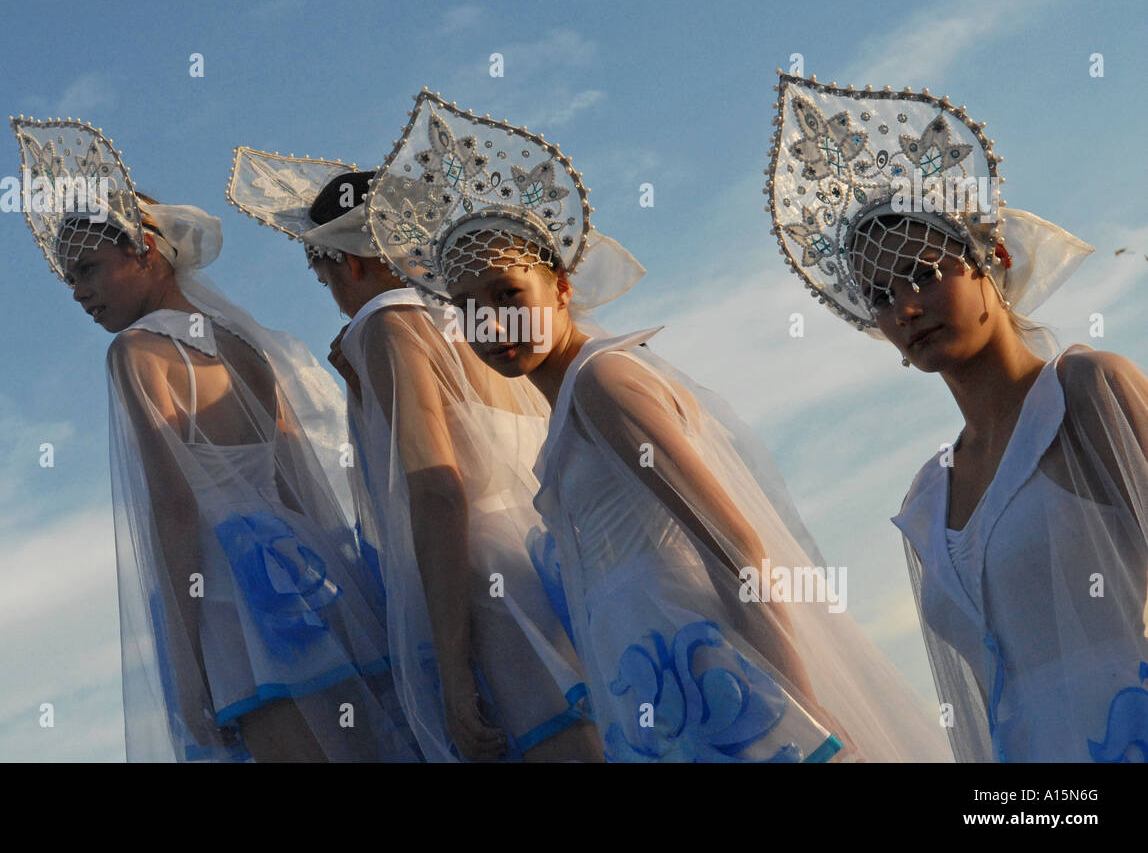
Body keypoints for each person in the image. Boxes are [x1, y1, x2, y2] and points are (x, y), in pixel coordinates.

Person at [360, 90, 952, 762]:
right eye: (467, 309)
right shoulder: (570, 409)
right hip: (654, 689)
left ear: (559, 285)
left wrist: (797, 702)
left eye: (507, 293)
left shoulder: (604, 384)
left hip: (721, 685)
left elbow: (739, 549)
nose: (492, 324)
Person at [10, 116, 417, 762]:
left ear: (145, 249)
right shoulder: (245, 346)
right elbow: (296, 486)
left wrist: (186, 661)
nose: (80, 294)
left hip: (234, 595)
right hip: (313, 578)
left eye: (88, 270)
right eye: (71, 281)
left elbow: (174, 508)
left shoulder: (136, 353)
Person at [767, 72, 1148, 761]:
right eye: (880, 295)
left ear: (990, 259)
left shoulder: (1088, 392)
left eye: (921, 273)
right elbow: (976, 704)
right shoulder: (926, 498)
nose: (904, 308)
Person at [225, 147, 600, 761]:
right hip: (561, 565)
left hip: (486, 593)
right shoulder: (480, 319)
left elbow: (437, 488)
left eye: (326, 283)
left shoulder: (384, 323)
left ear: (348, 265)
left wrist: (451, 672)